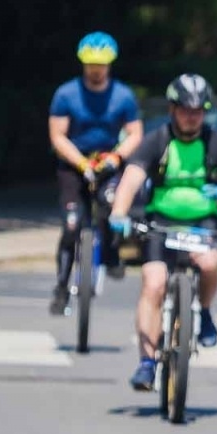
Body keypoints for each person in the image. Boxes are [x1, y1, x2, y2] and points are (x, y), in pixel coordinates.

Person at [107, 74, 217, 391]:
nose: (192, 116)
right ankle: (147, 362)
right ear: (173, 109)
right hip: (162, 222)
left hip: (202, 223)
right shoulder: (157, 141)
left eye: (198, 110)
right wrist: (118, 213)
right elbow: (131, 179)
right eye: (185, 109)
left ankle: (205, 312)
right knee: (153, 283)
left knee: (209, 263)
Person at [47, 32, 143, 315]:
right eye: (90, 65)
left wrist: (117, 156)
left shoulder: (123, 96)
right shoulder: (66, 94)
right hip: (74, 165)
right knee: (72, 226)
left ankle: (112, 254)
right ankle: (62, 288)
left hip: (108, 163)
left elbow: (135, 134)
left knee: (112, 206)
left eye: (101, 65)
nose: (96, 70)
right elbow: (57, 136)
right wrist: (81, 163)